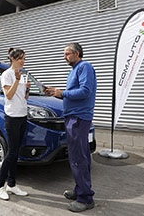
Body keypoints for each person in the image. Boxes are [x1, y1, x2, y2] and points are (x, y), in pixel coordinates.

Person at [45, 43, 96, 213]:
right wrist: (56, 93)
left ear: (76, 53)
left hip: (79, 118)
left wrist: (62, 93)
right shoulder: (75, 70)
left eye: (67, 54)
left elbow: (85, 91)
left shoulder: (85, 67)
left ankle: (85, 199)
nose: (64, 57)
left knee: (78, 158)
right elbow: (74, 93)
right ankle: (80, 189)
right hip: (74, 117)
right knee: (80, 156)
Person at [0, 48, 31, 200]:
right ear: (13, 59)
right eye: (20, 58)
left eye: (24, 58)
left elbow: (23, 98)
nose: (23, 61)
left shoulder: (21, 76)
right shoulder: (7, 75)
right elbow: (9, 96)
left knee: (15, 153)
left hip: (22, 116)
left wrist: (27, 90)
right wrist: (16, 80)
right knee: (11, 153)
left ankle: (12, 185)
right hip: (12, 118)